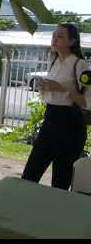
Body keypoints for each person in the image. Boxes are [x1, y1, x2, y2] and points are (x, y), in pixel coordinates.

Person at [22, 23, 91, 190]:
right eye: (53, 36)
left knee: (60, 182)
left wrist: (60, 88)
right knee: (29, 175)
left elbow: (86, 102)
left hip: (70, 125)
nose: (54, 39)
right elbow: (53, 95)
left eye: (60, 36)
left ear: (72, 41)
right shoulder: (55, 62)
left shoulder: (79, 64)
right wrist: (45, 88)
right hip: (50, 121)